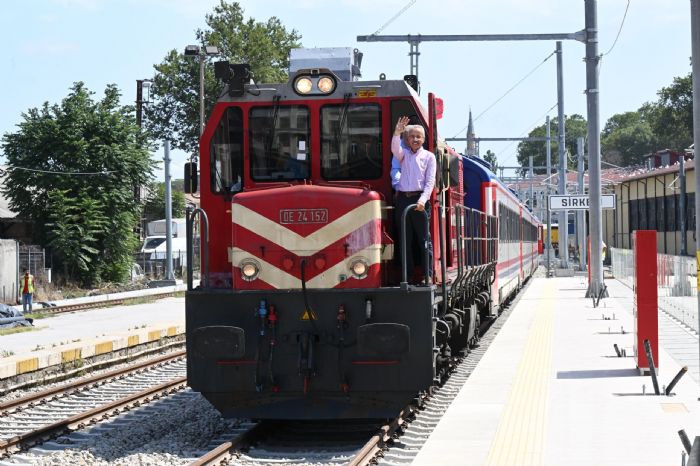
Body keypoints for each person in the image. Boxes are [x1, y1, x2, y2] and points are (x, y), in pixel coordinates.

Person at [391, 116, 436, 284]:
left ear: (423, 139)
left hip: (420, 200)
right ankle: (407, 276)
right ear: (407, 140)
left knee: (424, 239)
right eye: (412, 136)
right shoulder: (404, 156)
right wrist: (397, 132)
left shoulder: (429, 157)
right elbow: (395, 149)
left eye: (419, 136)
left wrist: (423, 200)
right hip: (403, 199)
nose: (415, 139)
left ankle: (427, 275)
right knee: (405, 239)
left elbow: (430, 181)